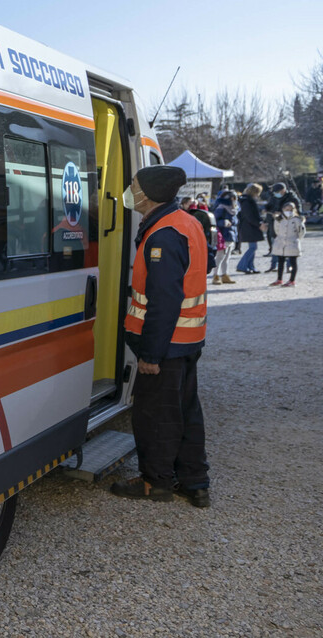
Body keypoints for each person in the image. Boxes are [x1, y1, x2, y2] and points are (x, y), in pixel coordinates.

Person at [110, 165, 210, 508]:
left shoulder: (163, 234)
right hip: (187, 341)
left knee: (155, 416)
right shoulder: (186, 221)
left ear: (147, 194)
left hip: (165, 347)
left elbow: (163, 301)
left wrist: (150, 355)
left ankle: (156, 482)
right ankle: (195, 482)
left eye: (133, 185)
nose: (130, 189)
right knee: (185, 411)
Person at [262, 182, 301, 272]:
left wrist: (282, 213)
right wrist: (266, 209)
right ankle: (273, 265)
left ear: (283, 190)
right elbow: (269, 205)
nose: (276, 193)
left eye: (277, 191)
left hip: (287, 225)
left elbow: (297, 210)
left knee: (288, 247)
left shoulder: (292, 198)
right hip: (273, 222)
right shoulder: (273, 196)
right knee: (275, 246)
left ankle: (289, 266)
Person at [269, 200, 306, 287]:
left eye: (290, 209)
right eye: (286, 209)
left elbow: (301, 231)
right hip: (281, 242)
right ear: (283, 209)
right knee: (280, 261)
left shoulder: (297, 219)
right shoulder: (279, 219)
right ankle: (279, 279)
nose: (288, 211)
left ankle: (292, 280)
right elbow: (276, 230)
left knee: (293, 262)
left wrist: (296, 239)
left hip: (292, 242)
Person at [235, 183, 264, 274]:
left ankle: (250, 266)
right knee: (253, 247)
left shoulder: (246, 200)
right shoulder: (247, 202)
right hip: (249, 227)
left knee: (253, 247)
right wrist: (258, 224)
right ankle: (242, 265)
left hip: (249, 226)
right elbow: (249, 216)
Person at [211, 191, 238, 285]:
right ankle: (215, 275)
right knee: (220, 256)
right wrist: (223, 222)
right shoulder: (221, 208)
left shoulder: (233, 209)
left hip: (230, 234)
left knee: (227, 257)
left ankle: (224, 274)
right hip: (222, 235)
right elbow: (214, 221)